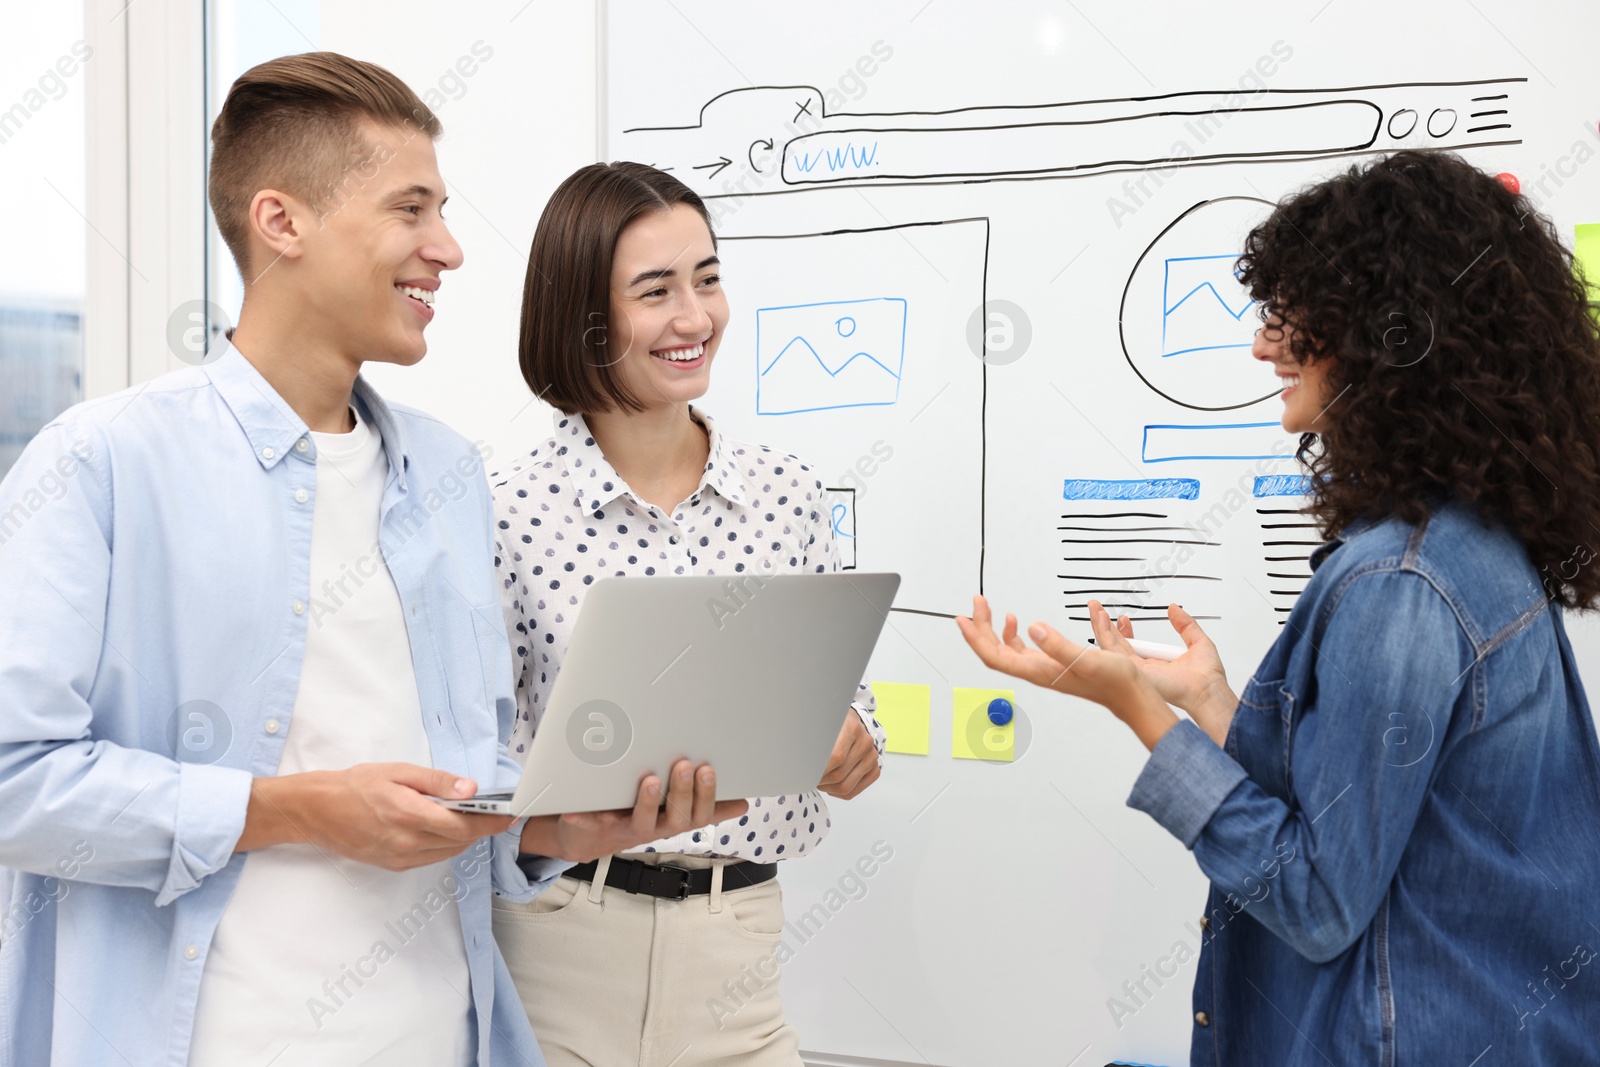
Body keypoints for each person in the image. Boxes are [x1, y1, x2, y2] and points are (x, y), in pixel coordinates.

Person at [0, 53, 728, 1067]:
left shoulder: (445, 473)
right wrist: (292, 810)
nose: (449, 248)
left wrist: (556, 824)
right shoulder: (102, 463)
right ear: (281, 222)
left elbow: (459, 771)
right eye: (412, 209)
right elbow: (16, 777)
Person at [958, 150, 1600, 1065]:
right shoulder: (1465, 547)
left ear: (1391, 335)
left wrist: (1138, 711)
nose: (1265, 345)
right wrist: (1212, 701)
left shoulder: (1401, 585)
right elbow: (1371, 813)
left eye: (1297, 317)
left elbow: (1318, 899)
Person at [488, 161, 886, 1066]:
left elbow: (843, 693)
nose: (695, 316)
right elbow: (475, 763)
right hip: (557, 949)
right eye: (655, 290)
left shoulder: (785, 493)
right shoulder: (505, 513)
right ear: (582, 315)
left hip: (737, 946)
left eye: (707, 278)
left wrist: (855, 731)